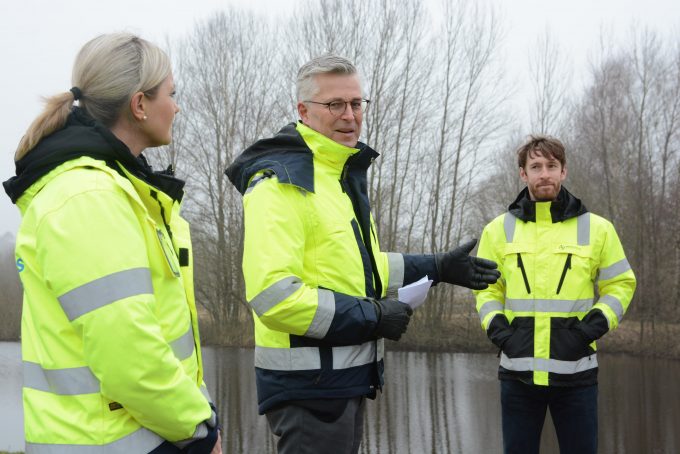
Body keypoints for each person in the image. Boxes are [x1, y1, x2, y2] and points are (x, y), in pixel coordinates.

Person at [225, 54, 500, 454]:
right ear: (303, 111)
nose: (350, 115)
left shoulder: (336, 177)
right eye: (335, 104)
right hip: (310, 391)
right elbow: (275, 296)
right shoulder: (282, 182)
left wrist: (437, 267)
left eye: (356, 104)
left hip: (341, 383)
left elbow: (360, 269)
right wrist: (373, 316)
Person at [3, 33, 221, 454]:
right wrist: (198, 429)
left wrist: (198, 411)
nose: (176, 107)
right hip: (114, 443)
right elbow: (129, 355)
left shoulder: (118, 192)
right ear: (140, 105)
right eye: (171, 95)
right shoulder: (89, 199)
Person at [473, 135, 637, 454]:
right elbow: (487, 289)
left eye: (552, 165)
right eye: (535, 166)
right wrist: (499, 331)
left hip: (577, 374)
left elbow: (621, 284)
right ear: (523, 173)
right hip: (517, 376)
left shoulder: (597, 229)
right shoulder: (497, 230)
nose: (544, 173)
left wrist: (590, 329)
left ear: (563, 171)